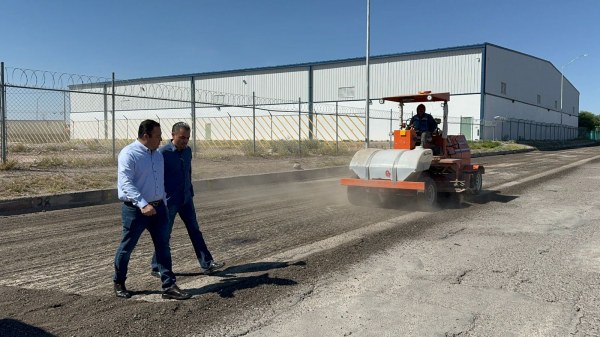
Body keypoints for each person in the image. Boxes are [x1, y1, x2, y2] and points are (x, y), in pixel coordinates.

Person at [113, 119, 191, 300]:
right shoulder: (129, 154)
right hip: (136, 210)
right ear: (146, 136)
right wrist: (143, 204)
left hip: (158, 208)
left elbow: (159, 181)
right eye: (157, 136)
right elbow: (126, 183)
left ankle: (169, 285)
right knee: (127, 247)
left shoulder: (157, 154)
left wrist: (162, 201)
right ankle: (119, 282)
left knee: (163, 246)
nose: (161, 139)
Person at [150, 122, 224, 277]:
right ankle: (157, 266)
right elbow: (155, 177)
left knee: (195, 230)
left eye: (187, 138)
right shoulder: (162, 153)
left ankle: (207, 263)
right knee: (165, 234)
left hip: (186, 199)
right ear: (173, 135)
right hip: (169, 201)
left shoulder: (187, 151)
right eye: (182, 137)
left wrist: (189, 192)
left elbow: (188, 172)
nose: (185, 141)